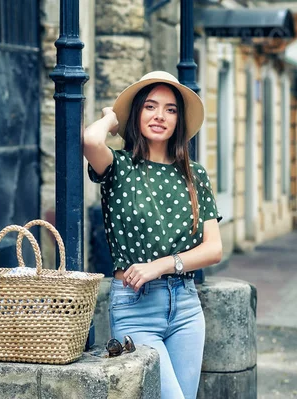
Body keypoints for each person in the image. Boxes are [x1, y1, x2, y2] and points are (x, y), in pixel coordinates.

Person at [84, 71, 223, 399]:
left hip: (186, 307)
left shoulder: (193, 174)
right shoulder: (119, 168)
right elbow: (91, 141)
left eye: (171, 109)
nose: (160, 116)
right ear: (137, 115)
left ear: (179, 121)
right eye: (150, 106)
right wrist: (111, 118)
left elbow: (213, 248)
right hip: (135, 307)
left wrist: (160, 265)